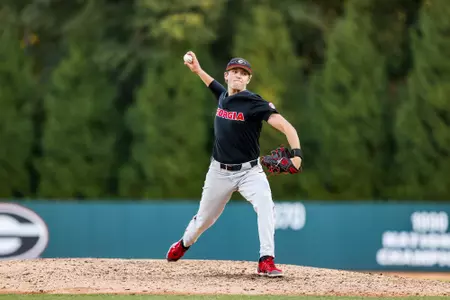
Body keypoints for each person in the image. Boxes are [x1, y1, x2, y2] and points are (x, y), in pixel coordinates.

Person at [166, 51, 303, 277]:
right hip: (219, 172)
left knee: (266, 207)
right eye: (234, 72)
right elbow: (213, 86)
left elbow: (288, 127)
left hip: (250, 171)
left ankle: (266, 260)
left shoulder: (254, 103)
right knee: (204, 220)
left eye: (243, 73)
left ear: (248, 79)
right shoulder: (223, 96)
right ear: (227, 76)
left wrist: (296, 155)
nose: (239, 75)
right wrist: (198, 70)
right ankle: (184, 243)